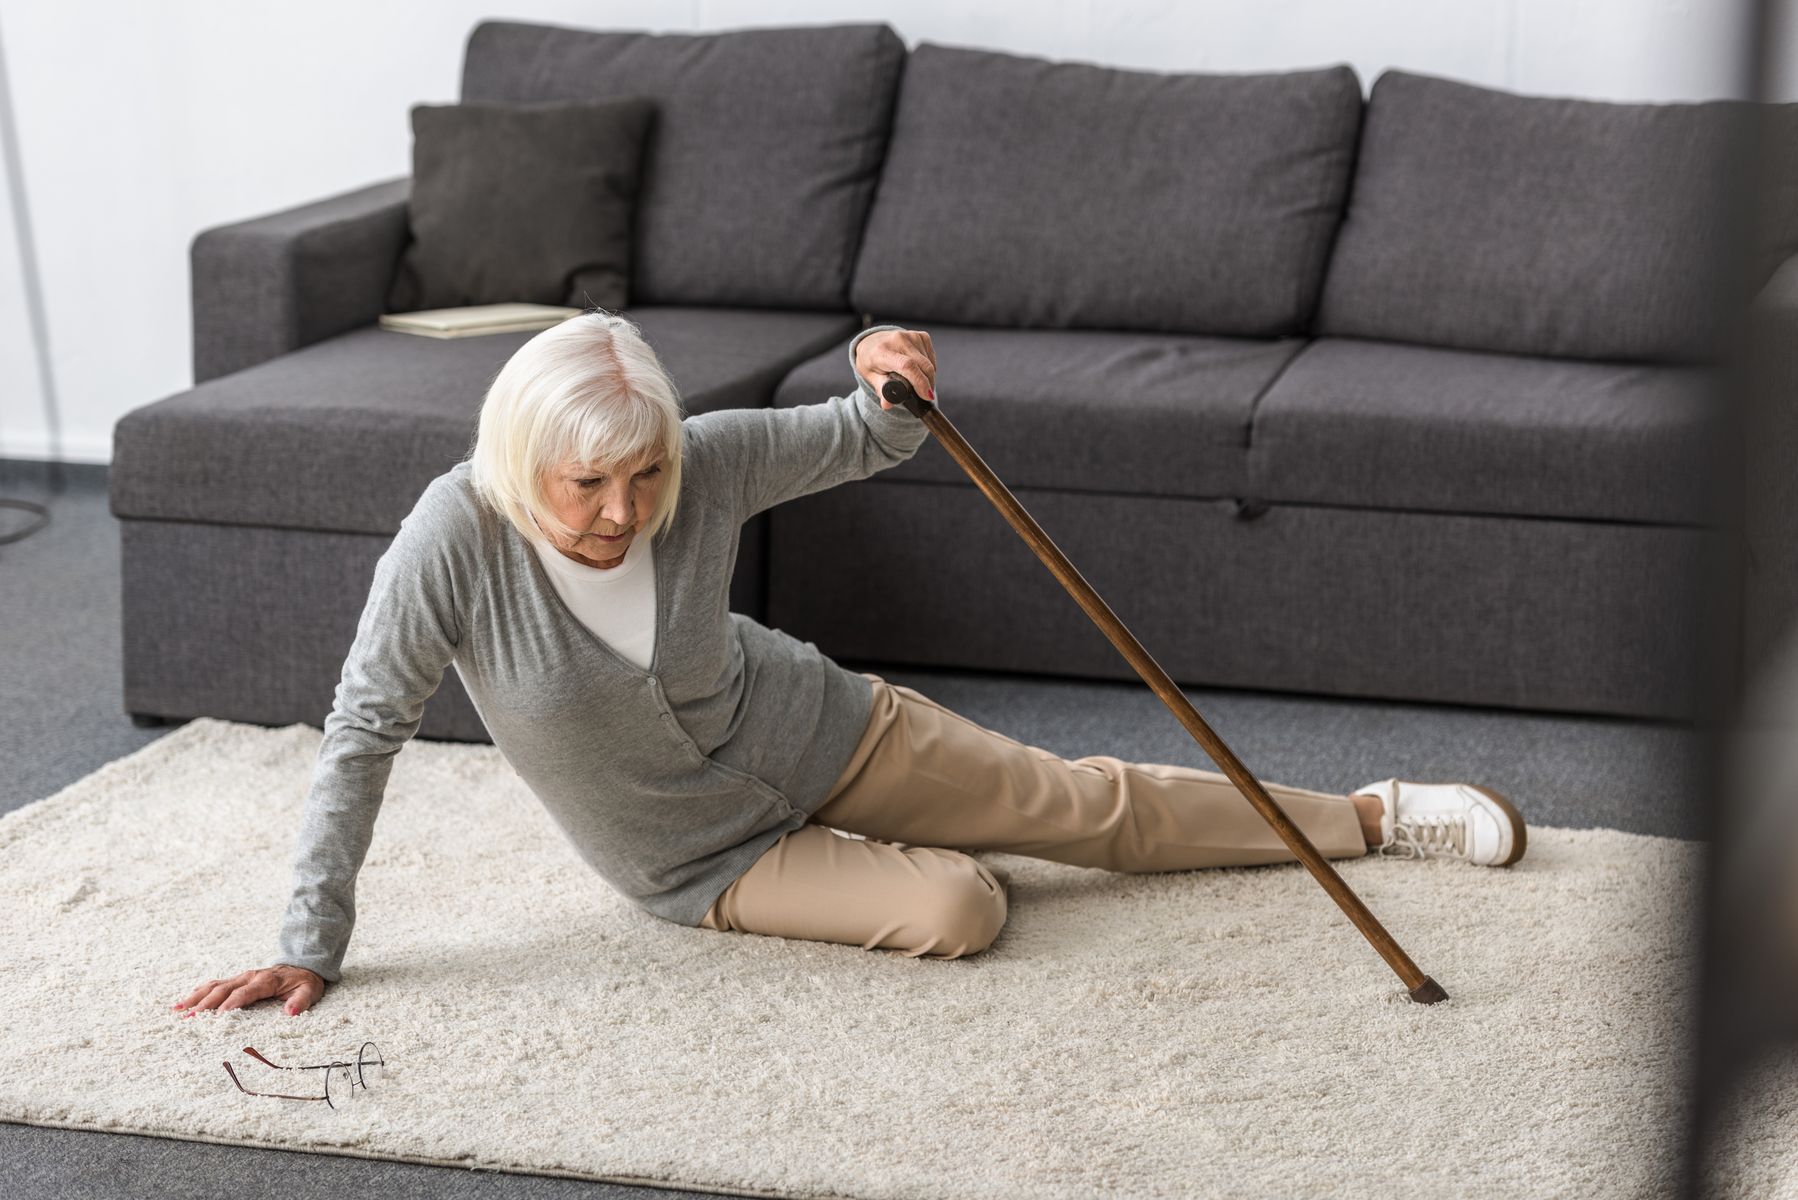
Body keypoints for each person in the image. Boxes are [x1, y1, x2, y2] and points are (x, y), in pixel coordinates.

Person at [171, 310, 1528, 1020]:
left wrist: (890, 367)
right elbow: (360, 738)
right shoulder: (450, 539)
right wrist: (311, 947)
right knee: (963, 915)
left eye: (645, 474)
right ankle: (939, 853)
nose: (623, 511)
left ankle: (1361, 816)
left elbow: (863, 432)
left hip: (828, 726)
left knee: (1086, 810)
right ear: (524, 458)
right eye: (586, 483)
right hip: (701, 861)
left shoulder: (695, 462)